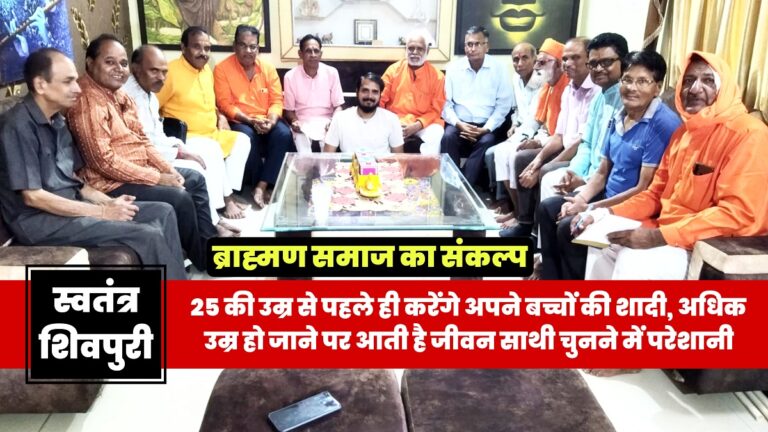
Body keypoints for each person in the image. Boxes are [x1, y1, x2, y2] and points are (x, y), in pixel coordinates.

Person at [578, 51, 768, 279]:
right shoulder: (683, 133)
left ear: (724, 88)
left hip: (710, 245)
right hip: (669, 230)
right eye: (688, 80)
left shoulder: (748, 134)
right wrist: (606, 212)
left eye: (708, 81)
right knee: (601, 243)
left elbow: (737, 215)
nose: (695, 89)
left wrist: (659, 237)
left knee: (632, 259)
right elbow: (655, 194)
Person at [0, 48, 187, 279]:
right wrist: (102, 212)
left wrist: (110, 202)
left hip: (72, 205)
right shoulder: (17, 126)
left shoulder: (58, 121)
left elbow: (75, 181)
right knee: (146, 234)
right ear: (41, 85)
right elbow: (33, 197)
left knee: (163, 211)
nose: (78, 88)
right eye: (68, 82)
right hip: (39, 221)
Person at [67, 34, 226, 273]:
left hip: (136, 171)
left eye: (122, 63)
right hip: (109, 183)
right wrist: (159, 178)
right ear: (90, 62)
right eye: (109, 62)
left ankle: (207, 250)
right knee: (180, 196)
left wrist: (168, 169)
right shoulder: (88, 102)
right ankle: (201, 257)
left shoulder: (119, 95)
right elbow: (103, 162)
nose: (119, 69)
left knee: (194, 179)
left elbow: (143, 140)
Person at [538, 50, 681, 280]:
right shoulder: (619, 114)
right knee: (548, 208)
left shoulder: (662, 124)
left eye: (642, 81)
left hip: (634, 207)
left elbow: (643, 189)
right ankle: (551, 281)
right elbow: (603, 171)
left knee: (568, 227)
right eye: (627, 80)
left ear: (657, 87)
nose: (632, 88)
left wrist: (591, 208)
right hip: (608, 196)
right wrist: (581, 199)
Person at [123, 44, 248, 225]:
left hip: (184, 140)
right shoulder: (130, 97)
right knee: (197, 167)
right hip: (148, 158)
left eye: (163, 72)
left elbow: (157, 133)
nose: (161, 77)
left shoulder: (149, 91)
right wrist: (180, 151)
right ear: (135, 68)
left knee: (215, 149)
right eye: (154, 71)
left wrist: (179, 146)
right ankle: (212, 222)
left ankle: (220, 206)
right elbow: (143, 144)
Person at [502, 37, 599, 238]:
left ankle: (539, 235)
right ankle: (525, 223)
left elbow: (581, 141)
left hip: (579, 154)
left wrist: (542, 166)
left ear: (589, 59)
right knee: (523, 159)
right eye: (565, 58)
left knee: (546, 170)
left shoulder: (596, 92)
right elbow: (559, 135)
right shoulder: (569, 89)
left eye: (575, 58)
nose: (568, 63)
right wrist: (537, 161)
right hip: (563, 146)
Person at [155, 26, 252, 209]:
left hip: (211, 132)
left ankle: (228, 193)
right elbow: (152, 108)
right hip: (187, 137)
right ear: (183, 47)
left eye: (207, 48)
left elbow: (208, 101)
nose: (203, 53)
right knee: (212, 150)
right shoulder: (169, 73)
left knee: (242, 141)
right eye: (197, 47)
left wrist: (220, 115)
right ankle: (219, 204)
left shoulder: (206, 69)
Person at [539, 33, 629, 204]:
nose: (598, 68)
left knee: (551, 203)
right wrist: (574, 172)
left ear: (624, 62)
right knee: (550, 180)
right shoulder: (599, 97)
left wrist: (585, 179)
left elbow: (615, 159)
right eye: (593, 63)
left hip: (605, 180)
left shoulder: (627, 100)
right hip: (588, 170)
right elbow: (586, 144)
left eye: (606, 62)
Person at [213, 24, 294, 208]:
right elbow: (225, 104)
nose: (248, 51)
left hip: (266, 118)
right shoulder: (222, 69)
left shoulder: (268, 69)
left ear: (258, 48)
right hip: (240, 119)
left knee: (283, 134)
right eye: (243, 45)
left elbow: (276, 100)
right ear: (235, 46)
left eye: (253, 46)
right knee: (246, 137)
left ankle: (261, 186)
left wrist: (271, 121)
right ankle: (258, 183)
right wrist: (250, 120)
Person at [493, 38, 567, 226]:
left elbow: (560, 133)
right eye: (538, 63)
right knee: (501, 151)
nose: (537, 67)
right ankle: (517, 211)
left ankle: (524, 219)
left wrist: (534, 141)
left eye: (541, 62)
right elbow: (534, 119)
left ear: (558, 64)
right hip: (540, 135)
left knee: (515, 155)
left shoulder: (566, 87)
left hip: (554, 141)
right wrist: (518, 133)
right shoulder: (548, 85)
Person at [441, 25, 513, 189]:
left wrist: (486, 129)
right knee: (447, 137)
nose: (472, 49)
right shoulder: (453, 68)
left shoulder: (500, 69)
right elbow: (445, 104)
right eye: (469, 44)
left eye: (477, 44)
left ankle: (463, 187)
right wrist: (459, 124)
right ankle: (450, 184)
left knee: (488, 141)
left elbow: (503, 106)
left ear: (487, 46)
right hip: (459, 124)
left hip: (486, 126)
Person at [485, 41, 542, 220]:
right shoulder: (516, 79)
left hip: (536, 132)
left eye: (525, 58)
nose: (520, 63)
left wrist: (520, 136)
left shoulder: (543, 82)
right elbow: (517, 109)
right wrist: (514, 124)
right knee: (493, 153)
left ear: (535, 59)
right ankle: (510, 205)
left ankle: (520, 213)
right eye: (516, 59)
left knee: (506, 153)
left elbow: (536, 118)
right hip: (522, 129)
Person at [380, 29, 446, 155]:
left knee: (436, 132)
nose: (414, 52)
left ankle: (427, 167)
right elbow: (380, 100)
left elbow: (436, 110)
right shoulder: (393, 71)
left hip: (424, 123)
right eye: (411, 48)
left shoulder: (437, 77)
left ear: (427, 51)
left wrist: (418, 125)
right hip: (396, 121)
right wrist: (391, 122)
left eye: (419, 49)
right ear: (406, 49)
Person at [283, 34, 344, 153]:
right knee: (303, 150)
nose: (313, 55)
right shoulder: (290, 76)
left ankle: (327, 166)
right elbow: (289, 111)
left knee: (328, 153)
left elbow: (338, 106)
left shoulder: (331, 73)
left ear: (321, 54)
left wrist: (333, 122)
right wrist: (294, 121)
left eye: (316, 51)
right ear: (300, 54)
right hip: (302, 123)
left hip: (327, 121)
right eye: (308, 51)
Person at [323, 72, 404, 154]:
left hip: (381, 163)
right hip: (349, 162)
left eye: (375, 92)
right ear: (357, 92)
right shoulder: (340, 119)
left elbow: (399, 157)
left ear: (380, 95)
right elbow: (327, 156)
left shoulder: (392, 120)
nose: (369, 96)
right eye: (365, 91)